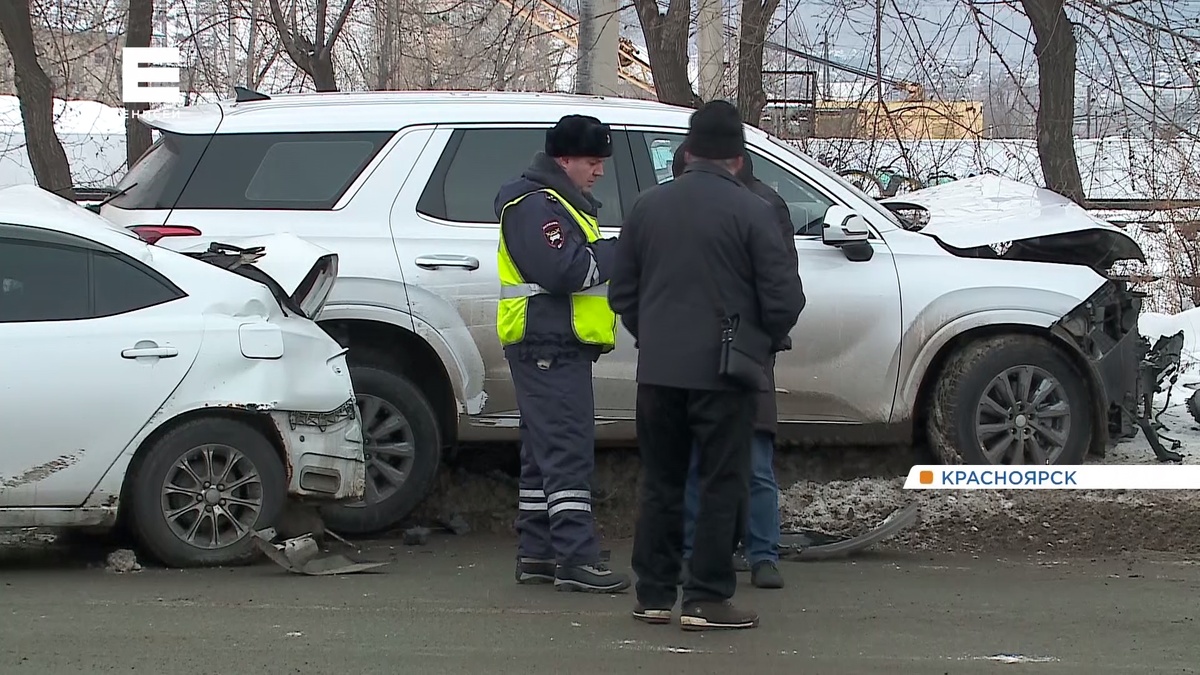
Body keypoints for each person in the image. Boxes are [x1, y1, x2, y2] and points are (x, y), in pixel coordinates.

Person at [608, 100, 805, 630]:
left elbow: (622, 293)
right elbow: (785, 298)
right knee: (722, 480)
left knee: (660, 482)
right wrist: (757, 342)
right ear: (738, 158)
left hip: (658, 372)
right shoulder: (754, 211)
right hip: (727, 371)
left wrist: (654, 334)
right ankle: (706, 598)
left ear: (688, 151)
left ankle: (653, 594)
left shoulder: (647, 207)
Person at [494, 114, 631, 594]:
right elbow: (568, 271)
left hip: (551, 343)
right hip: (548, 343)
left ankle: (538, 551)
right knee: (568, 448)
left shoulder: (555, 203)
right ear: (564, 159)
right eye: (592, 162)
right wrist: (622, 251)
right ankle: (576, 557)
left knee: (542, 452)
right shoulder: (537, 206)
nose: (599, 171)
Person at [675, 144, 802, 591]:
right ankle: (710, 553)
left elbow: (782, 285)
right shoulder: (688, 205)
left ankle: (759, 553)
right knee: (706, 457)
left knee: (749, 458)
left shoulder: (762, 206)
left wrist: (761, 337)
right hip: (708, 347)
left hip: (741, 348)